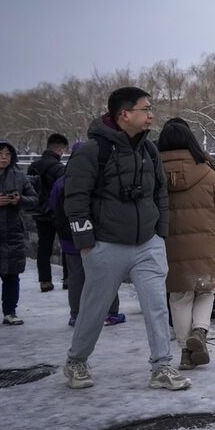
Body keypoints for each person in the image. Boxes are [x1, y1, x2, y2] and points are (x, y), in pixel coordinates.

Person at [63, 86, 191, 390]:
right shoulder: (92, 152)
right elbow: (75, 198)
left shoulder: (149, 151)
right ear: (124, 114)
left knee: (157, 306)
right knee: (94, 308)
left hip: (147, 243)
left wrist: (160, 233)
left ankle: (162, 367)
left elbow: (160, 192)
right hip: (106, 244)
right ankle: (76, 361)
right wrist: (85, 242)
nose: (150, 115)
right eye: (145, 109)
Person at [157, 118, 215, 370]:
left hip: (169, 245)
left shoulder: (152, 171)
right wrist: (213, 230)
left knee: (180, 296)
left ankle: (184, 351)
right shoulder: (206, 170)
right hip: (205, 243)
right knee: (205, 290)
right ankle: (200, 332)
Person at [47, 162, 121, 327]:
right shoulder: (100, 180)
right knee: (106, 275)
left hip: (70, 236)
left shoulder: (62, 181)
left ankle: (76, 314)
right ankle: (111, 312)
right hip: (98, 236)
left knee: (76, 277)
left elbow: (52, 204)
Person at [0, 138, 38, 325]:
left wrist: (19, 200)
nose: (4, 157)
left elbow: (34, 199)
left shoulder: (19, 176)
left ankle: (10, 311)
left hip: (13, 232)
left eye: (7, 154)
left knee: (13, 276)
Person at [27, 132, 68, 292]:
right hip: (57, 212)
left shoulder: (33, 166)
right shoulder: (58, 168)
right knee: (66, 245)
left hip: (39, 212)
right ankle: (68, 278)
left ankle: (45, 281)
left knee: (44, 247)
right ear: (60, 149)